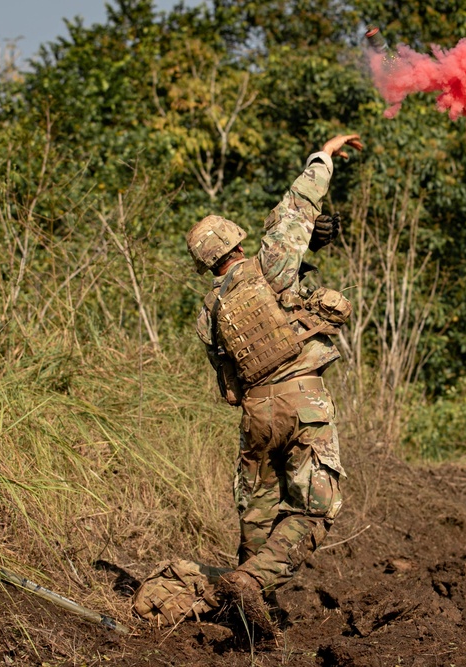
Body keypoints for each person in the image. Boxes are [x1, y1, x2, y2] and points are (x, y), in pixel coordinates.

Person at [185, 134, 362, 635]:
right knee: (315, 509)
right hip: (303, 397)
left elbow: (229, 386)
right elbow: (301, 201)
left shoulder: (209, 313)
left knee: (257, 513)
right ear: (238, 242)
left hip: (255, 414)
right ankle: (251, 582)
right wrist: (324, 153)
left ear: (206, 262)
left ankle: (241, 606)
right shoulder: (270, 265)